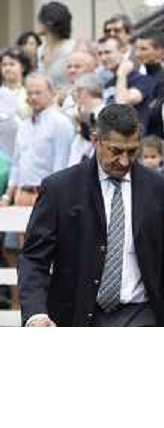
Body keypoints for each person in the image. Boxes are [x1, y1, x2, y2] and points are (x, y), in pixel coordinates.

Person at [18, 104, 164, 327]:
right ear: (96, 140)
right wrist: (36, 314)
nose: (124, 161)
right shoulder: (60, 189)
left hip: (142, 315)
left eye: (132, 151)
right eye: (115, 151)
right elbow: (34, 258)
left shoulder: (161, 189)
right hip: (76, 315)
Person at [1, 74, 75, 308]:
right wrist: (7, 195)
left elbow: (62, 165)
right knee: (16, 251)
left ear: (52, 93)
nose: (32, 97)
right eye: (29, 93)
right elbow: (16, 163)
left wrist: (53, 199)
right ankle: (19, 305)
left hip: (45, 195)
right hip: (21, 195)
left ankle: (45, 307)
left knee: (43, 254)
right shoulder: (23, 125)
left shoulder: (61, 123)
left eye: (38, 92)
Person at [96, 35, 156, 132]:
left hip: (132, 142)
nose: (103, 58)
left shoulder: (143, 80)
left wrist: (122, 74)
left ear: (123, 51)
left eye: (108, 52)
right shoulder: (108, 84)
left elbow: (121, 104)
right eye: (100, 54)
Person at [35, 1, 75, 91]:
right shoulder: (40, 50)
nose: (37, 24)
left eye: (40, 20)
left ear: (49, 23)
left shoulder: (71, 49)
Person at [68, 73, 105, 166]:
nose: (74, 99)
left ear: (83, 92)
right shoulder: (83, 117)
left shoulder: (105, 115)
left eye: (76, 93)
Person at [0, 47, 31, 119]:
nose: (7, 68)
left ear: (23, 67)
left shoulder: (30, 91)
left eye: (12, 64)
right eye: (4, 65)